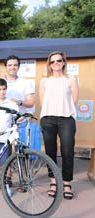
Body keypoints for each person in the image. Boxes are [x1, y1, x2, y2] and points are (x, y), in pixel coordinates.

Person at [39, 51, 79, 200]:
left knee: (67, 150)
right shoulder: (44, 80)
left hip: (66, 119)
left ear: (63, 62)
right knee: (50, 151)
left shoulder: (71, 79)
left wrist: (64, 111)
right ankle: (53, 182)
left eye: (59, 61)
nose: (56, 63)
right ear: (49, 64)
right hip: (48, 119)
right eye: (52, 61)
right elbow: (43, 101)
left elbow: (74, 99)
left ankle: (67, 183)